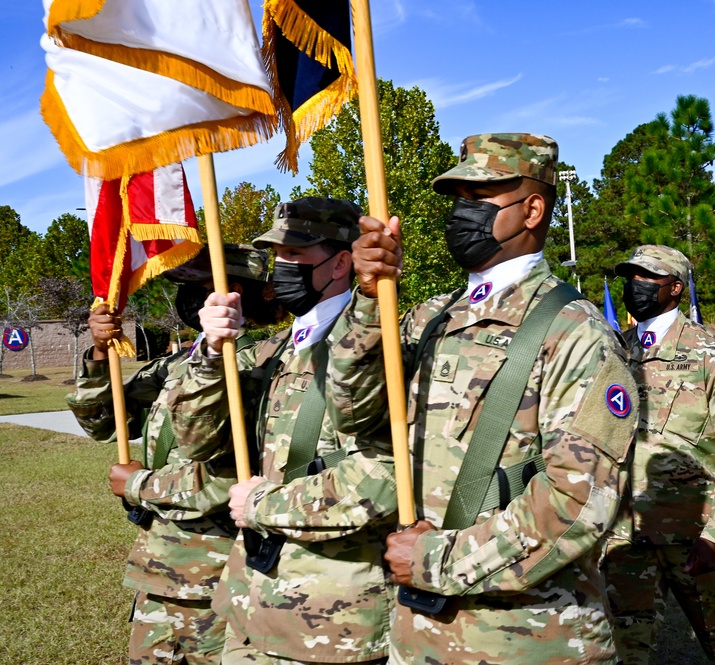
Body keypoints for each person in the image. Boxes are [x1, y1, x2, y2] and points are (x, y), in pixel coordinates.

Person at [325, 133, 638, 664]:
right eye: (457, 201)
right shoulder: (431, 316)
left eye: (479, 199)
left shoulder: (574, 330)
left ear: (532, 208)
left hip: (525, 637)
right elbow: (353, 412)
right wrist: (369, 300)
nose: (459, 215)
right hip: (419, 633)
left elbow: (579, 500)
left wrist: (436, 561)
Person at [168, 197, 397, 665]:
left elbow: (382, 480)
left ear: (341, 262)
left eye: (296, 255)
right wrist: (211, 354)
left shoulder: (385, 347)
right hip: (251, 600)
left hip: (328, 616)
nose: (282, 267)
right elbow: (195, 440)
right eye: (278, 255)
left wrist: (262, 504)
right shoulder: (271, 352)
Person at [66, 243, 277, 665]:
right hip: (158, 562)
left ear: (231, 291)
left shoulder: (263, 363)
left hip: (214, 569)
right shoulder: (179, 364)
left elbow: (233, 476)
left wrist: (140, 486)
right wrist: (98, 352)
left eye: (194, 287)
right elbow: (105, 423)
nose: (186, 299)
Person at [604, 245, 715, 665]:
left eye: (647, 278)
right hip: (625, 531)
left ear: (675, 288)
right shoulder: (614, 352)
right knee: (624, 638)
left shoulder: (712, 355)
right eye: (630, 278)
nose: (634, 287)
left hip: (694, 532)